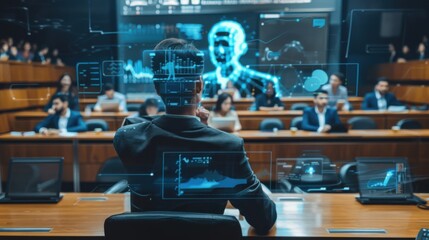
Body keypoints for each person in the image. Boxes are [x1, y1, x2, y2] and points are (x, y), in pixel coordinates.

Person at [113, 38, 276, 235]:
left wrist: (195, 125)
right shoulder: (227, 146)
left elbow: (138, 124)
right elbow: (264, 219)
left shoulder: (128, 138)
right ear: (199, 86)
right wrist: (202, 128)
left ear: (157, 88)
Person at [203, 20, 279, 98]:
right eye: (216, 44)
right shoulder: (204, 82)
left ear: (241, 48)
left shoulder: (262, 82)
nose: (220, 51)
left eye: (226, 44)